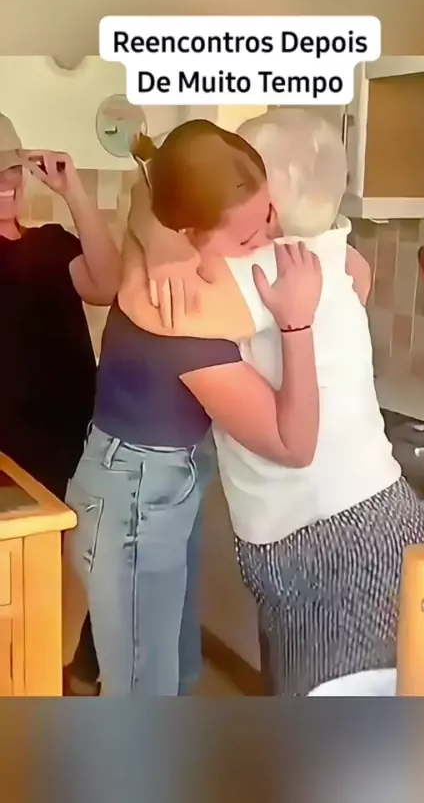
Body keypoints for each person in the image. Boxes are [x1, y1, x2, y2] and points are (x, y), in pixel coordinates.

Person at [127, 109, 424, 696]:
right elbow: (359, 278)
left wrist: (157, 241)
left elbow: (144, 301)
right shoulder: (331, 244)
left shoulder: (262, 269)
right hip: (338, 534)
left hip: (343, 543)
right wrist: (160, 226)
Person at [65, 119, 323, 696]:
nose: (269, 237)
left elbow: (145, 189)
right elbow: (293, 443)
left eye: (269, 215)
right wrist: (298, 324)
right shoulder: (182, 311)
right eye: (248, 236)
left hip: (146, 483)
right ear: (190, 233)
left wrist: (156, 240)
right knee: (145, 691)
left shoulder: (164, 249)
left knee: (174, 674)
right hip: (135, 497)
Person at [0, 112, 120, 696]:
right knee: (23, 589)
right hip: (12, 457)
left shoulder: (51, 243)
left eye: (10, 169)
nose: (6, 184)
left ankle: (78, 676)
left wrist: (75, 192)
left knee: (93, 567)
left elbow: (107, 283)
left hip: (78, 436)